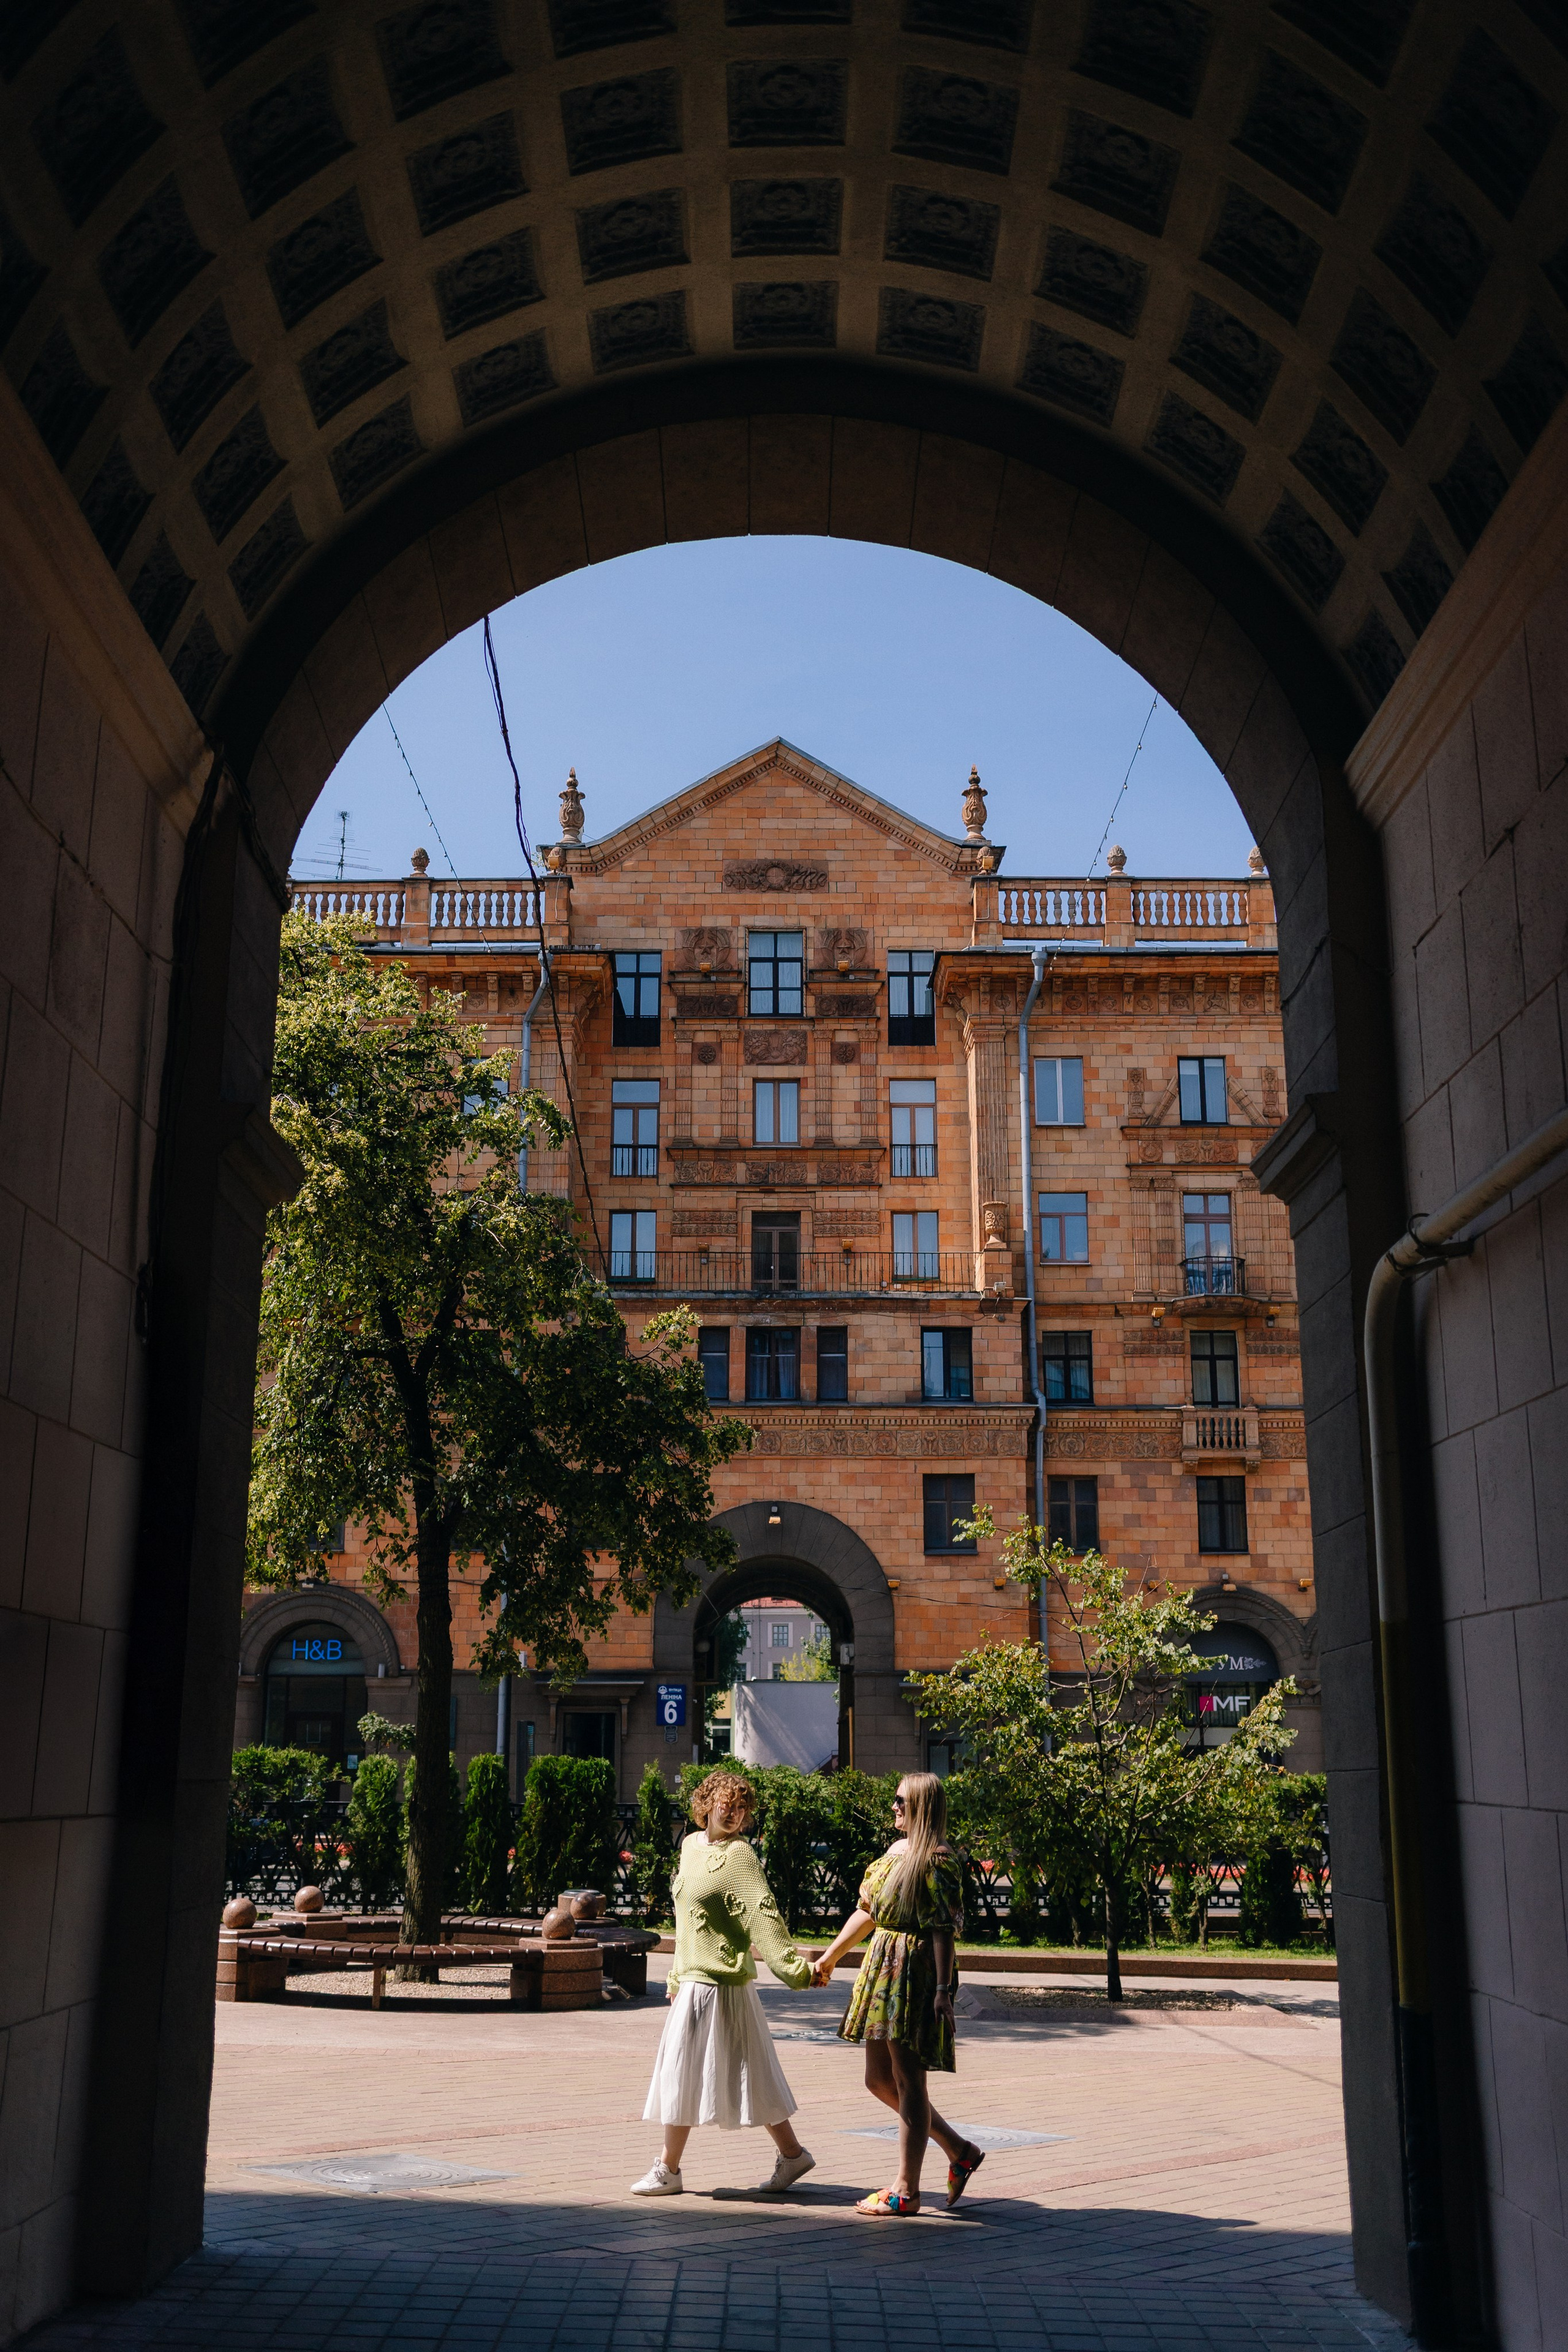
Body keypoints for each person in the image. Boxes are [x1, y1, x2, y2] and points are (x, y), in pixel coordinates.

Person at [631, 1768, 816, 2198]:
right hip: (695, 1983)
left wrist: (796, 1970)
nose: (734, 1813)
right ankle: (791, 2156)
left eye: (741, 1808)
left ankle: (669, 2170)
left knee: (737, 2075)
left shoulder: (740, 1856)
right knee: (707, 2073)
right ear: (706, 1803)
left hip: (725, 1986)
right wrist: (675, 1975)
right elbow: (685, 1920)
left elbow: (764, 1916)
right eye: (726, 1804)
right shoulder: (690, 1846)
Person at [813, 1771, 985, 2215]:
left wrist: (943, 1991)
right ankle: (959, 2150)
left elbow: (944, 1930)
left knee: (910, 2080)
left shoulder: (940, 1860)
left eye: (901, 1800)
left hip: (915, 1972)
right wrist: (830, 1957)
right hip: (883, 1967)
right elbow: (867, 1912)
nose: (894, 1806)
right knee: (878, 2079)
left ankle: (907, 2191)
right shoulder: (894, 1853)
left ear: (921, 1807)